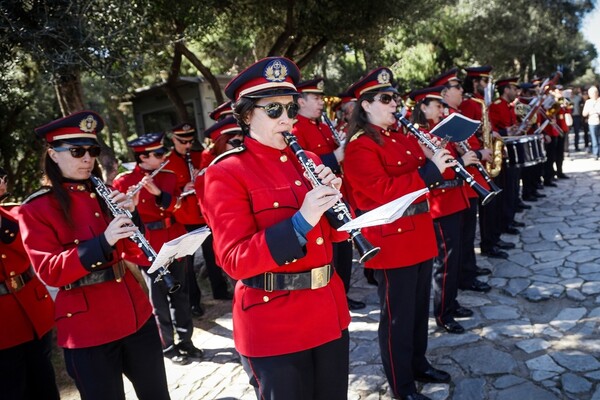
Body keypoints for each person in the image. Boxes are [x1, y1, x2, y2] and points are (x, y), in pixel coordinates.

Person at [202, 56, 351, 400]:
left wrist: (338, 208)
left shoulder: (310, 160)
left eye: (291, 109)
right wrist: (301, 220)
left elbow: (338, 235)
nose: (286, 119)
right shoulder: (225, 172)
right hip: (273, 322)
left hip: (326, 311)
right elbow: (234, 259)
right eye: (273, 110)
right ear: (246, 114)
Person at [18, 111, 170, 399]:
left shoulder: (105, 194)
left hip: (136, 316)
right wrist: (104, 241)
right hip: (88, 330)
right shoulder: (35, 208)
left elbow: (135, 253)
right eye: (77, 151)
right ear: (53, 154)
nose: (88, 159)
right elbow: (50, 271)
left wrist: (133, 217)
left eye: (92, 150)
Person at [344, 68, 452, 400]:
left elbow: (423, 170)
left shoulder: (401, 136)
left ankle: (418, 364)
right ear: (365, 106)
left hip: (419, 233)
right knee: (398, 320)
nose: (395, 105)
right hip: (392, 242)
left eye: (395, 98)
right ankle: (401, 387)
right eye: (386, 99)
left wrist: (437, 153)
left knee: (419, 312)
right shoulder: (359, 146)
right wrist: (431, 171)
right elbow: (383, 191)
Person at [113, 132, 203, 366]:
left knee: (181, 294)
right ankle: (168, 346)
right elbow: (120, 216)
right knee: (158, 298)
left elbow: (179, 206)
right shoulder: (123, 181)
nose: (164, 157)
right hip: (148, 243)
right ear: (143, 157)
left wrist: (158, 194)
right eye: (159, 154)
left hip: (174, 237)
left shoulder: (169, 176)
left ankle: (186, 341)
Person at [291, 77, 365, 310]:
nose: (322, 102)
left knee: (343, 249)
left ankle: (343, 291)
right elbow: (301, 166)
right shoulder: (296, 129)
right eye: (316, 98)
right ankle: (337, 292)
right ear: (301, 102)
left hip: (336, 190)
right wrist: (337, 156)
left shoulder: (321, 125)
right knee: (332, 251)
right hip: (319, 197)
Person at [1, 170, 59, 400]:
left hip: (32, 311)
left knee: (45, 381)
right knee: (13, 388)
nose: (2, 180)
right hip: (4, 326)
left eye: (2, 175)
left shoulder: (14, 214)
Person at [168, 122, 232, 315]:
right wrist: (182, 188)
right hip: (184, 217)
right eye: (182, 141)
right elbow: (166, 192)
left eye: (190, 141)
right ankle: (194, 302)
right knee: (186, 262)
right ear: (173, 139)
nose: (187, 145)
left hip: (202, 214)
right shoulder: (167, 162)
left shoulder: (198, 156)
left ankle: (219, 290)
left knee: (213, 254)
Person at [488, 77, 527, 234]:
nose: (516, 91)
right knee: (508, 186)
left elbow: (517, 122)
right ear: (506, 89)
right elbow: (493, 128)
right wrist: (506, 132)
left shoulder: (512, 106)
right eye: (513, 88)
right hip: (503, 149)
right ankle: (506, 222)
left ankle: (510, 218)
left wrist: (520, 126)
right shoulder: (496, 106)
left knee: (514, 184)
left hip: (513, 147)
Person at [582, 86, 600, 160]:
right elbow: (584, 113)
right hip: (592, 122)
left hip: (599, 121)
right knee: (594, 138)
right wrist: (590, 110)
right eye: (591, 93)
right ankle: (596, 153)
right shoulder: (588, 102)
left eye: (594, 93)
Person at [571, 87, 584, 151]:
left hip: (576, 117)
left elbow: (582, 100)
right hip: (569, 117)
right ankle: (566, 149)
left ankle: (576, 146)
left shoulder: (578, 98)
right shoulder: (566, 99)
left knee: (577, 132)